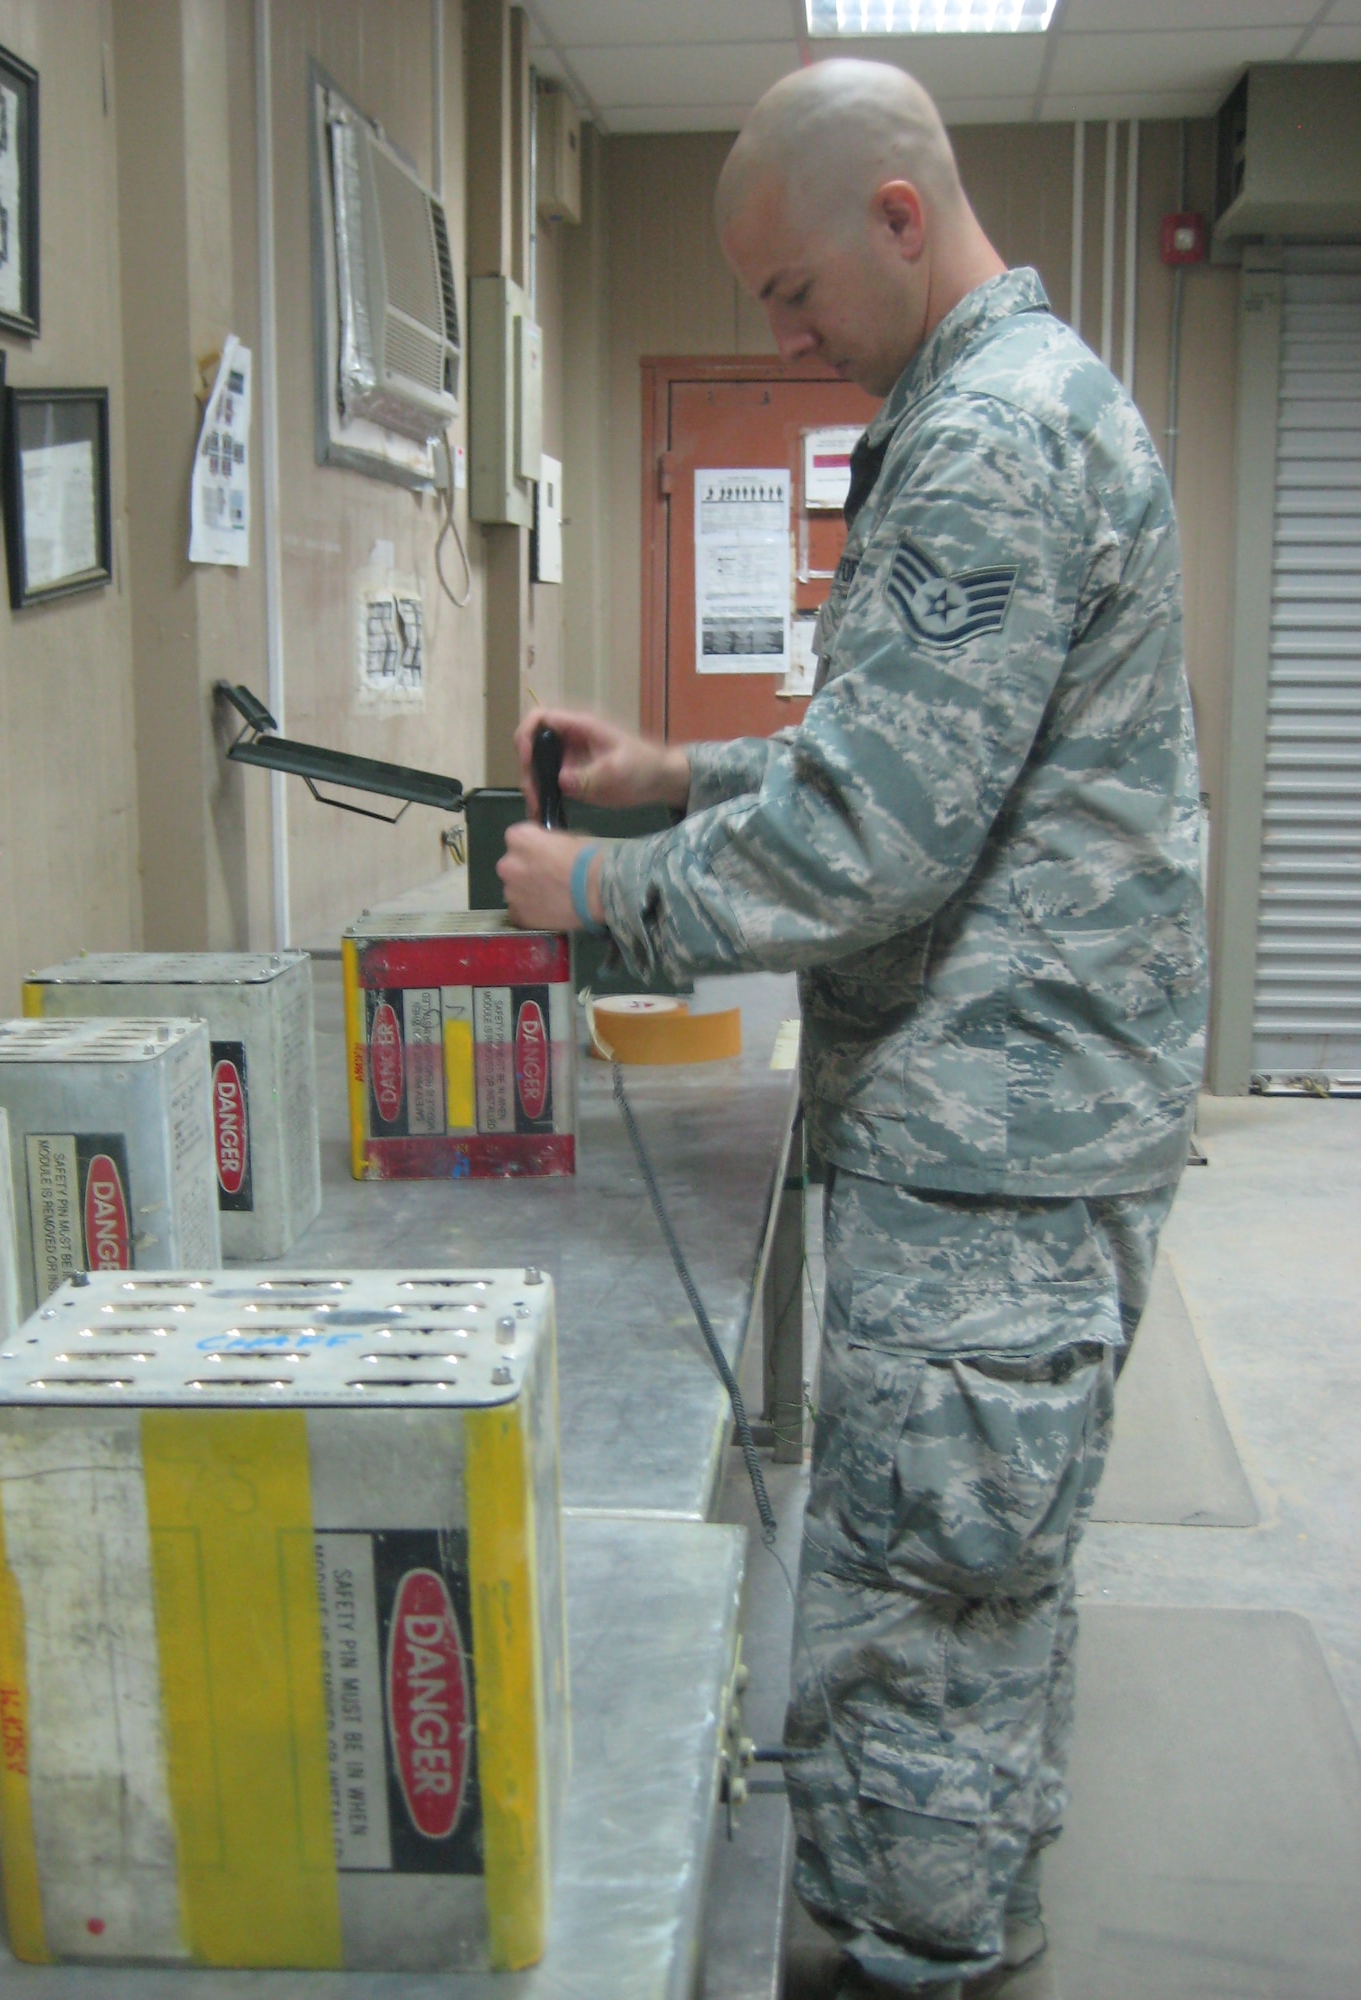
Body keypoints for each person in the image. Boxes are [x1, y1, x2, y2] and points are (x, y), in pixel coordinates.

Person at [498, 58, 1206, 2000]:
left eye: (797, 294)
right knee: (948, 1588)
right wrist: (668, 774)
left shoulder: (988, 439)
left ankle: (926, 1954)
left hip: (1000, 1152)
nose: (786, 340)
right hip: (1008, 1130)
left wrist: (607, 894)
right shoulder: (1000, 408)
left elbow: (877, 836)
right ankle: (935, 1918)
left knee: (926, 1605)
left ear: (902, 216)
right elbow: (886, 751)